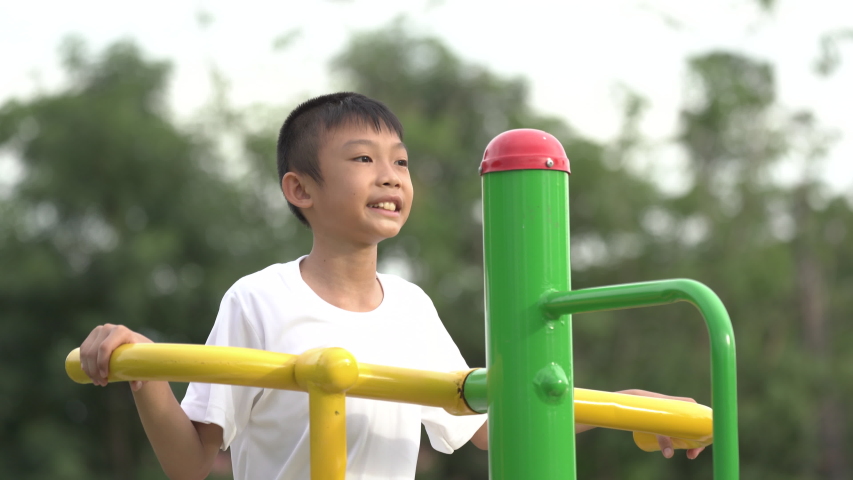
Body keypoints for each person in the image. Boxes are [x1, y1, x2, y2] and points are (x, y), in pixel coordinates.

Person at [78, 92, 703, 480]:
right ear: (301, 190)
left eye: (400, 162)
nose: (389, 175)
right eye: (362, 159)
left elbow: (492, 429)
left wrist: (623, 406)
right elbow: (189, 461)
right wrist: (145, 371)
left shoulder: (411, 307)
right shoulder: (259, 299)